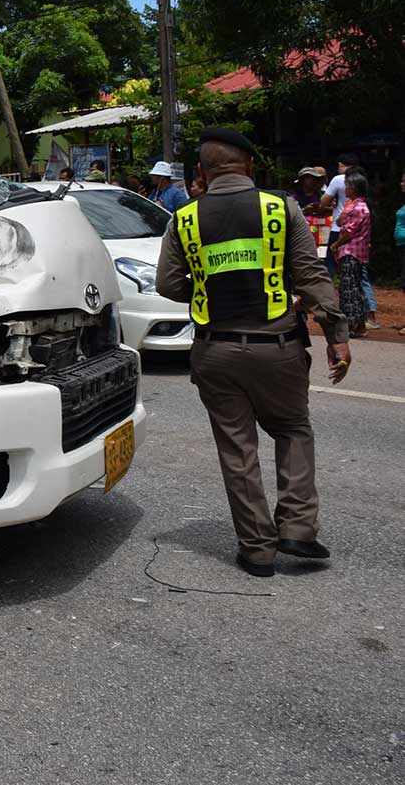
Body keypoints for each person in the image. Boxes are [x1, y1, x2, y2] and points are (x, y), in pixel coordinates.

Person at [156, 127, 350, 578]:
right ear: (249, 165)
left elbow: (167, 283)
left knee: (237, 449)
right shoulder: (281, 209)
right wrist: (336, 334)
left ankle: (258, 550)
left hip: (216, 352)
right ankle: (298, 529)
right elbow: (309, 274)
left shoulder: (183, 218)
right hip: (278, 348)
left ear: (202, 171)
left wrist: (205, 288)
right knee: (293, 430)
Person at [330, 171, 372, 335]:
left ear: (354, 188)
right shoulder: (353, 205)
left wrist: (336, 244)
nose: (345, 188)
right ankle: (357, 324)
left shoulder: (358, 207)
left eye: (348, 185)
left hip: (351, 252)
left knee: (349, 289)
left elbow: (348, 232)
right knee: (353, 287)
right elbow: (340, 221)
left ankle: (352, 325)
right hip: (352, 252)